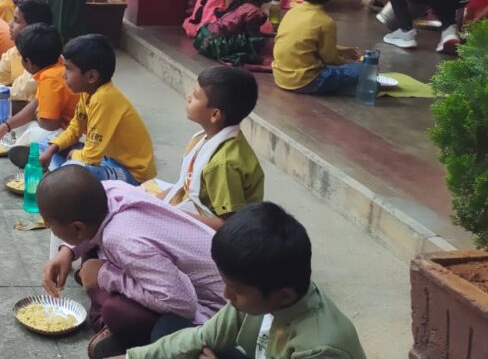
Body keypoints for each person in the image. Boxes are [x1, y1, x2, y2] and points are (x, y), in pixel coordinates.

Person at [125, 202, 367, 359]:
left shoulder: (320, 348)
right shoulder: (257, 295)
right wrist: (129, 358)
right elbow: (202, 337)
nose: (226, 295)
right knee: (169, 328)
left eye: (236, 289)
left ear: (284, 295)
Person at [38, 168, 226, 357]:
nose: (49, 228)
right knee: (91, 257)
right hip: (167, 273)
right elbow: (90, 228)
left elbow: (183, 304)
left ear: (77, 227)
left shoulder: (122, 240)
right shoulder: (111, 190)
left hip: (214, 306)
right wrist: (68, 251)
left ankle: (121, 332)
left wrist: (105, 275)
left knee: (117, 311)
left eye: (49, 225)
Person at [145, 66, 264, 231]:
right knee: (133, 197)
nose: (188, 97)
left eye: (195, 96)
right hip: (190, 207)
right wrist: (150, 204)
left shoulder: (222, 164)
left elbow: (230, 226)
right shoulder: (203, 138)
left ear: (214, 115)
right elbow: (184, 184)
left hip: (216, 236)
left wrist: (173, 215)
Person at [32, 34, 154, 184]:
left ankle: (62, 177)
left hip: (130, 173)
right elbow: (74, 129)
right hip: (105, 159)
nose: (63, 75)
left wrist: (74, 154)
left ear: (91, 76)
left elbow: (91, 156)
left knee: (75, 168)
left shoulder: (104, 99)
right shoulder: (87, 93)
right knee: (45, 144)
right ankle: (61, 176)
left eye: (69, 69)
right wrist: (51, 150)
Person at [0, 22, 78, 149]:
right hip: (59, 125)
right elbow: (34, 105)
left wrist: (37, 114)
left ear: (28, 63)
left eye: (20, 56)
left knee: (34, 132)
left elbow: (49, 125)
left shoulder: (50, 79)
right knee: (22, 124)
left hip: (72, 134)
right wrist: (5, 126)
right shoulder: (57, 65)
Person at [272, 0, 364, 96]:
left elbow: (304, 44)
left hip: (280, 76)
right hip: (306, 81)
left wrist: (341, 50)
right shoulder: (326, 22)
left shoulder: (291, 13)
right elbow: (329, 59)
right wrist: (346, 62)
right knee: (362, 71)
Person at [194, 0, 277, 66]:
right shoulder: (254, 12)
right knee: (268, 42)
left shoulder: (241, 4)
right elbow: (252, 38)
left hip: (204, 39)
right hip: (218, 45)